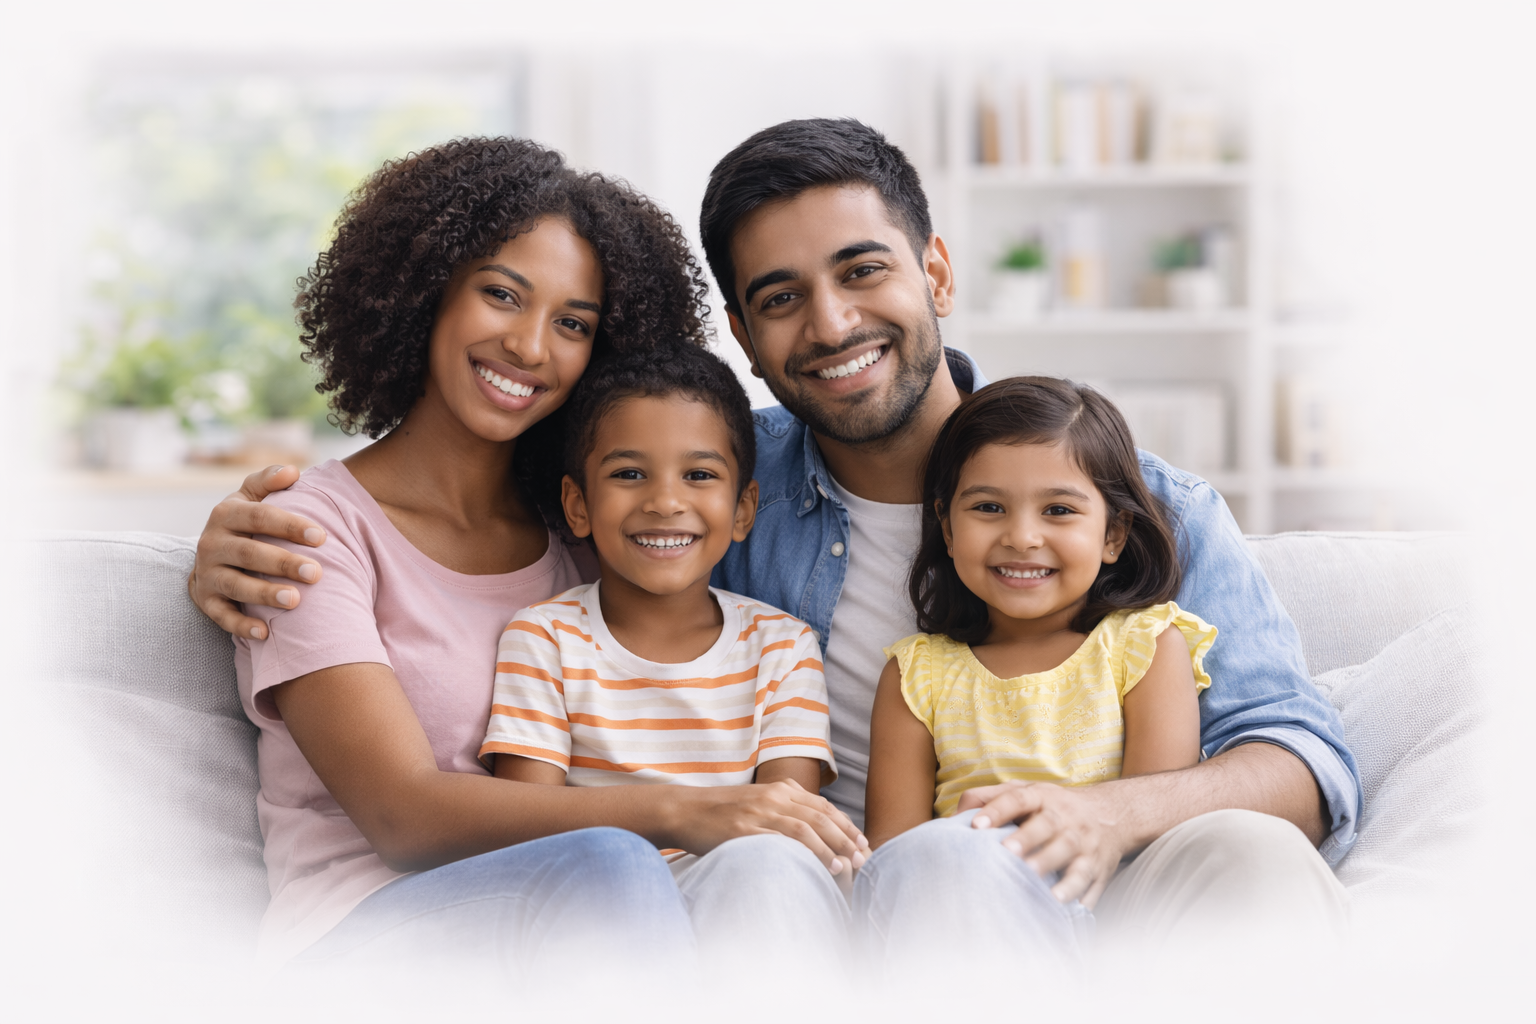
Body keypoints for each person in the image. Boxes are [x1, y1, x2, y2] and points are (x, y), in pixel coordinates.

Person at [191, 119, 1356, 961]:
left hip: (1104, 881)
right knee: (818, 865)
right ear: (743, 334)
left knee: (1255, 854)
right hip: (835, 893)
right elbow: (465, 505)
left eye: (863, 271)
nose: (834, 322)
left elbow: (1302, 761)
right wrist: (236, 537)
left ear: (936, 269)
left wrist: (1112, 811)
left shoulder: (1139, 503)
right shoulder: (698, 495)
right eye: (783, 296)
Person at [220, 137, 863, 979]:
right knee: (611, 860)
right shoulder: (306, 535)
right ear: (424, 293)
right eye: (501, 295)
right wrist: (691, 812)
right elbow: (403, 817)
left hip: (597, 924)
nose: (530, 346)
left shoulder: (588, 539)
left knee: (739, 872)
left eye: (573, 324)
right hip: (370, 930)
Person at [481, 342, 856, 979]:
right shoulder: (543, 638)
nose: (664, 501)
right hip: (605, 920)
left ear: (743, 511)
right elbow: (530, 831)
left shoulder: (781, 646)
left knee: (768, 867)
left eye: (699, 475)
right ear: (578, 505)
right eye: (629, 474)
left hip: (751, 910)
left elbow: (787, 826)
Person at [857, 376, 1218, 972]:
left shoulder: (1145, 646)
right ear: (947, 528)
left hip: (1111, 922)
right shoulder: (915, 675)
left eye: (1058, 510)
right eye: (988, 508)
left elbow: (1153, 828)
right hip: (968, 929)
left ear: (1113, 534)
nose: (1022, 537)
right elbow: (897, 857)